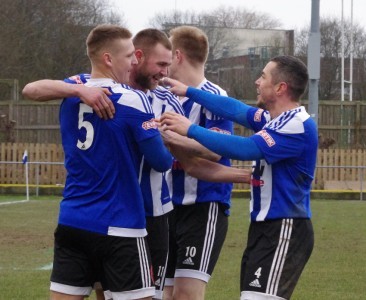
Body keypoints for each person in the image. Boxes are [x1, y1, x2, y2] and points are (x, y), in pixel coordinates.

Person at [22, 27, 250, 300]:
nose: (165, 73)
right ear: (137, 57)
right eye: (160, 64)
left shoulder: (166, 100)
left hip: (151, 216)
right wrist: (78, 90)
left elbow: (195, 159)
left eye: (169, 65)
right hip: (119, 215)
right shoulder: (91, 87)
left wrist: (241, 174)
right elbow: (31, 89)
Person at [24, 24, 174, 300]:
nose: (134, 62)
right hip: (121, 227)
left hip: (73, 221)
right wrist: (169, 139)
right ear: (108, 59)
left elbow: (31, 89)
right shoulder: (134, 99)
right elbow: (161, 161)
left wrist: (79, 91)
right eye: (129, 56)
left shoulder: (73, 88)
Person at [160, 55, 318, 300]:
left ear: (280, 87)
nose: (257, 81)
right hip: (265, 228)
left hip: (285, 227)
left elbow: (245, 149)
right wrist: (190, 91)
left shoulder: (296, 124)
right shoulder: (273, 120)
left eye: (263, 76)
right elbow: (235, 109)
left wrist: (189, 129)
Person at [161, 25, 234, 300]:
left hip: (203, 207)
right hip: (165, 208)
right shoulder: (162, 95)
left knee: (186, 295)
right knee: (161, 294)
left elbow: (215, 150)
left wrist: (168, 138)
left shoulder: (215, 96)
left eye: (168, 52)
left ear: (177, 55)